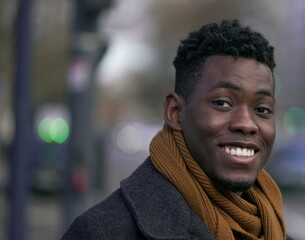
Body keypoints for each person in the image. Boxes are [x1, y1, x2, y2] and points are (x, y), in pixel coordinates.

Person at [62, 19, 292, 240]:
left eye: (262, 109)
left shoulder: (276, 229)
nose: (246, 123)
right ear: (175, 112)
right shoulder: (100, 232)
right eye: (223, 103)